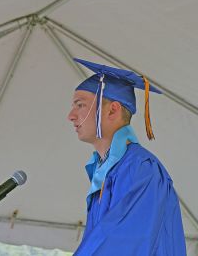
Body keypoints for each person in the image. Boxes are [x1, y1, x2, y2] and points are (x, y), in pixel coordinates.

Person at [67, 58, 186, 255]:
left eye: (80, 105)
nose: (71, 115)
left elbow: (120, 245)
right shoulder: (106, 169)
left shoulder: (141, 169)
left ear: (112, 110)